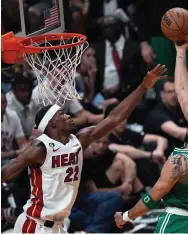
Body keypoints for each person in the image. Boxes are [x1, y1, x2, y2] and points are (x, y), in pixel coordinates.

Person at [1, 64, 167, 233]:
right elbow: (5, 173)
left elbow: (115, 117)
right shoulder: (40, 149)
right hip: (35, 224)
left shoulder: (79, 140)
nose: (67, 115)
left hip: (58, 225)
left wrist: (143, 87)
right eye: (61, 114)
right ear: (51, 123)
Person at [114, 38, 188, 233]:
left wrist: (126, 216)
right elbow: (183, 92)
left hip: (174, 223)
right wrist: (180, 53)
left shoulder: (180, 160)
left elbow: (154, 196)